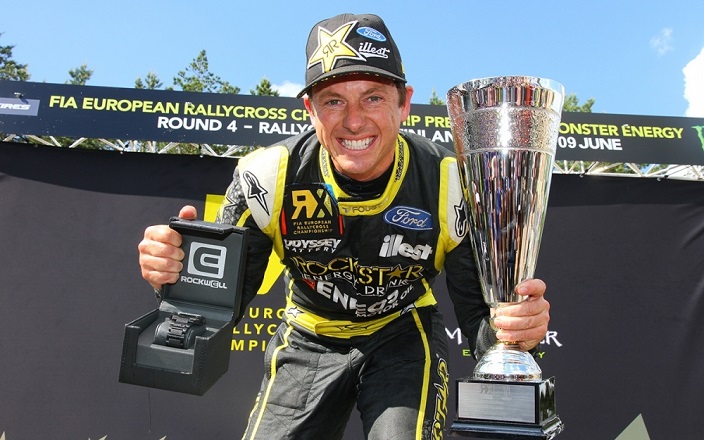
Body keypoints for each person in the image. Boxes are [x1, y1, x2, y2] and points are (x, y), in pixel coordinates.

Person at [138, 13, 551, 440]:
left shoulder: (450, 182)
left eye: (373, 97)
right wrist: (177, 276)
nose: (354, 121)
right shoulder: (266, 177)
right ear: (310, 110)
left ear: (404, 103)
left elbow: (480, 322)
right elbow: (222, 300)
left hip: (402, 333)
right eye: (333, 101)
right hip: (308, 337)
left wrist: (516, 333)